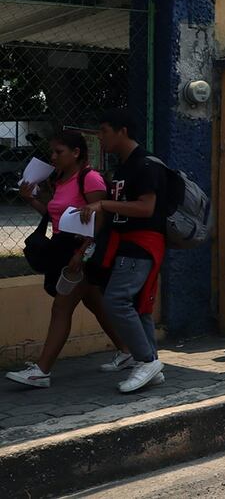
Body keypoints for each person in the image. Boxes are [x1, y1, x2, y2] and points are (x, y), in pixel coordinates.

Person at [5, 131, 127, 389]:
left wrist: (82, 253)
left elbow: (100, 221)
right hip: (63, 247)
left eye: (59, 152)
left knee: (61, 308)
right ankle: (128, 351)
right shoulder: (61, 180)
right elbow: (54, 216)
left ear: (76, 153)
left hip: (80, 250)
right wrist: (31, 200)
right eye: (52, 152)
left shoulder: (90, 179)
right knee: (95, 302)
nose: (53, 157)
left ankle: (42, 370)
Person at [78, 109, 169, 393]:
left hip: (142, 243)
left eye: (105, 130)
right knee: (138, 305)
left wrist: (103, 204)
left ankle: (144, 360)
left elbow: (146, 208)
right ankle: (150, 362)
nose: (100, 137)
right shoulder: (122, 167)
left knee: (116, 300)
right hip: (126, 242)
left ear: (123, 131)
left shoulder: (145, 165)